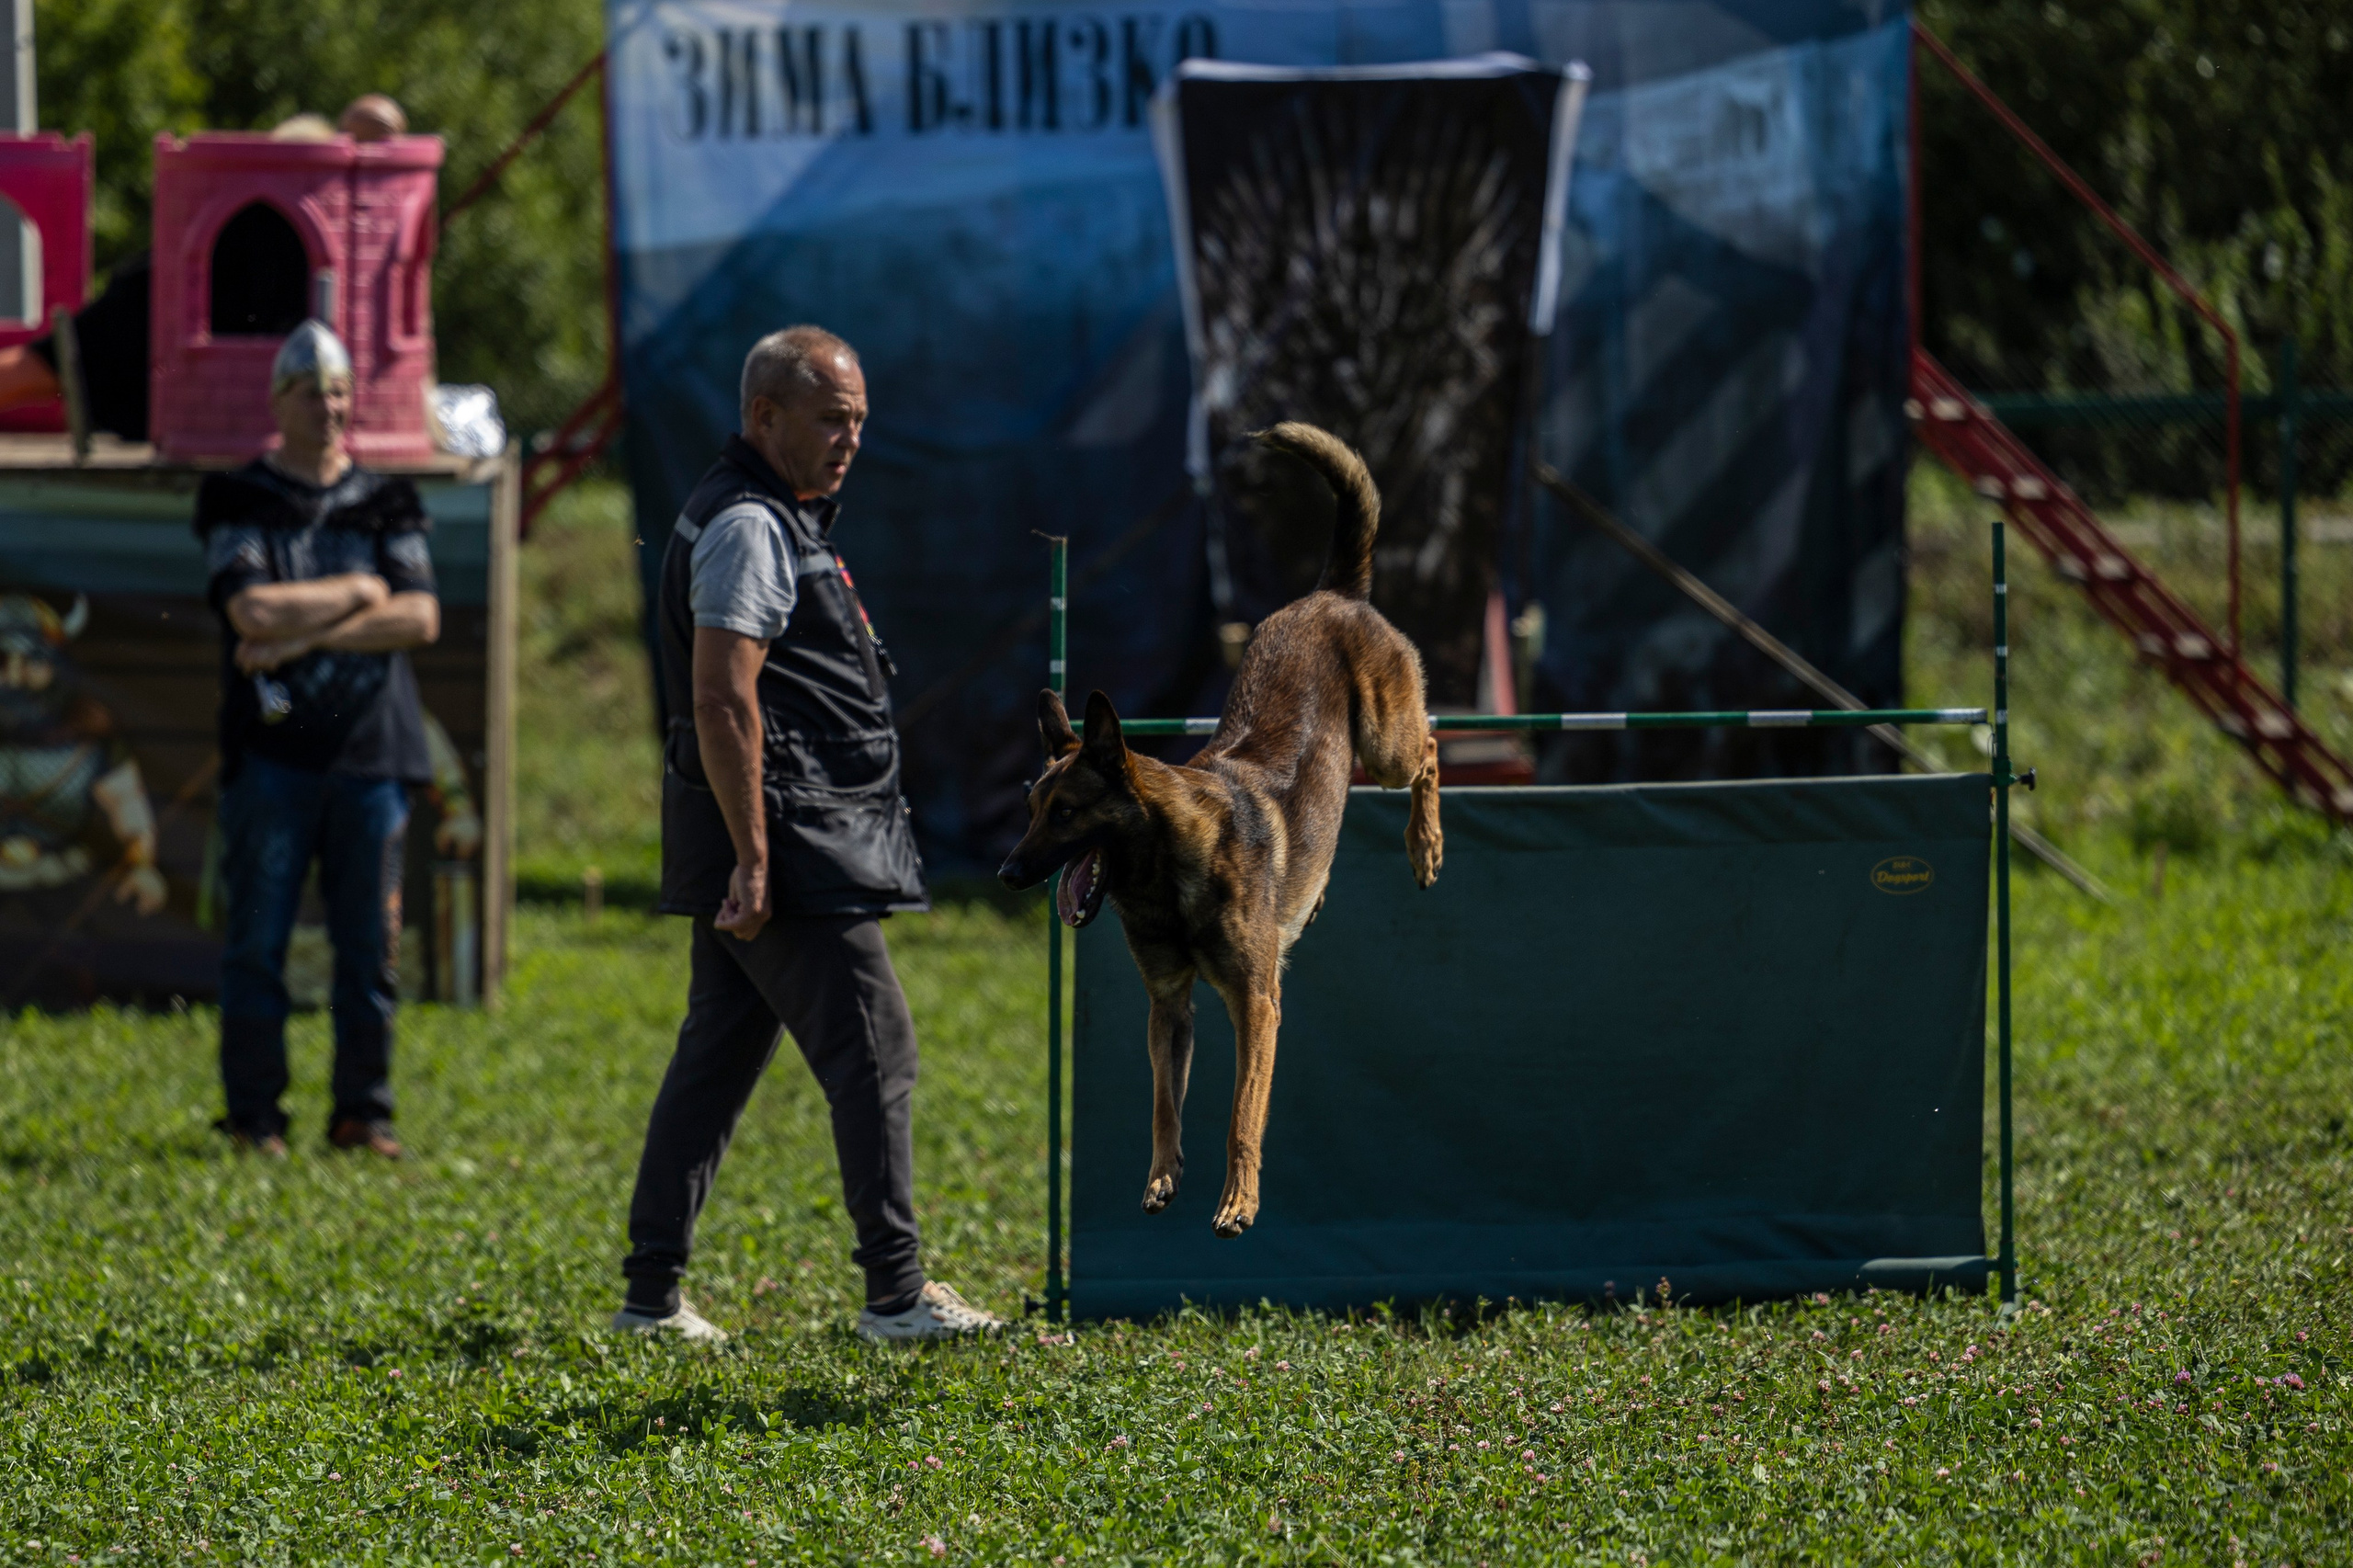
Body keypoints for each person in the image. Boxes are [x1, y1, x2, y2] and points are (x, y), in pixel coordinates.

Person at [614, 325, 1001, 1344]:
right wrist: (754, 858)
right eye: (831, 419)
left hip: (778, 833)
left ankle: (651, 1298)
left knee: (718, 1056)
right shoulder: (749, 524)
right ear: (763, 416)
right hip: (785, 843)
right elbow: (721, 697)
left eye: (859, 421)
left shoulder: (777, 515)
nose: (850, 440)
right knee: (876, 1046)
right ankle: (896, 1296)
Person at [194, 321, 439, 1159]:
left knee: (370, 947)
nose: (329, 407)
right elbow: (250, 609)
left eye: (339, 392)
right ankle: (255, 1117)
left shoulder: (388, 499)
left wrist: (304, 635)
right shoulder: (238, 498)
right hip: (272, 757)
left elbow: (420, 616)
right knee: (256, 943)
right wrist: (362, 589)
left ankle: (362, 1113)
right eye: (311, 393)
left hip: (372, 757)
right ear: (278, 402)